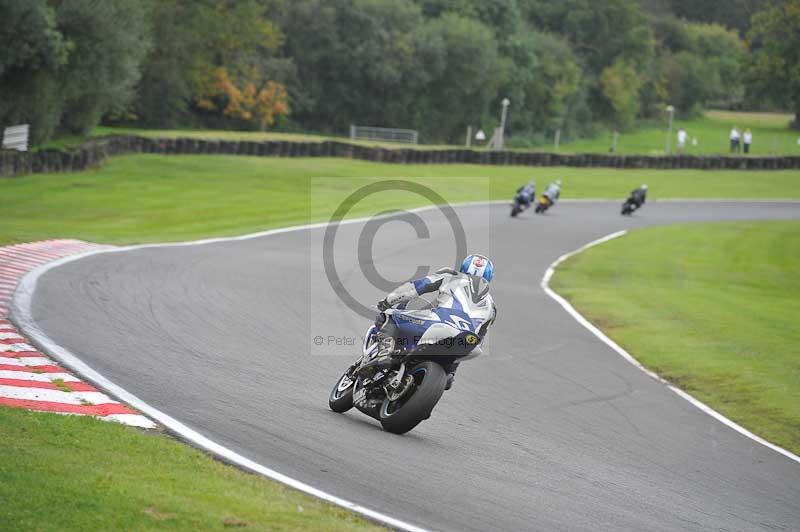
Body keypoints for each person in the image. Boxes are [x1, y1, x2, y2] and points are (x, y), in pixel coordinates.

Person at [375, 254, 497, 390]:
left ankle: (384, 354)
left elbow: (415, 288)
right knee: (466, 341)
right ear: (489, 276)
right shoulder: (492, 306)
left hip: (437, 324)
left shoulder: (450, 276)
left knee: (389, 316)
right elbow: (478, 337)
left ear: (464, 267)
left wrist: (388, 301)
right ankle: (448, 373)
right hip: (465, 341)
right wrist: (451, 372)